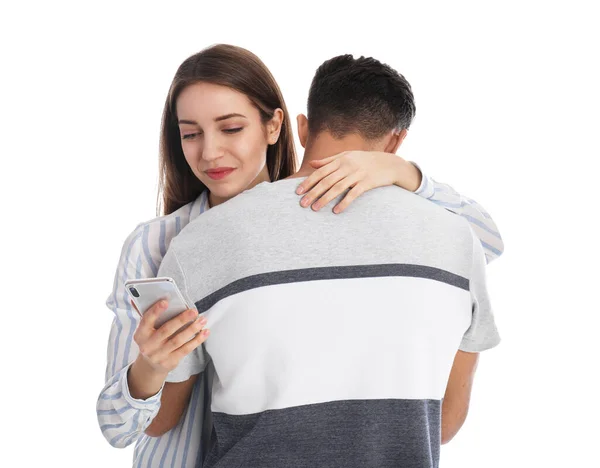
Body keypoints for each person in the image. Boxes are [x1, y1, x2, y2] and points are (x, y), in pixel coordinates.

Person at [97, 44, 504, 468]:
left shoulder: (203, 243)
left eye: (231, 128)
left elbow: (486, 240)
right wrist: (149, 368)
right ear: (395, 140)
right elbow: (133, 425)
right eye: (191, 133)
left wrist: (406, 174)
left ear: (289, 128)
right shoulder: (164, 243)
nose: (211, 153)